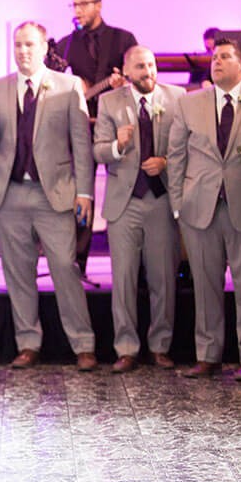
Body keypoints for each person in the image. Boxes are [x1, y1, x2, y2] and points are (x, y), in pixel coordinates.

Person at [0, 21, 97, 371]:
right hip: (11, 194)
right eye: (18, 45)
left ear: (45, 47)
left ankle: (83, 344)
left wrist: (85, 192)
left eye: (30, 45)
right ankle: (28, 342)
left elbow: (81, 143)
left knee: (64, 267)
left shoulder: (68, 86)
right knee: (18, 272)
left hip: (56, 194)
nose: (23, 51)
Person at [167, 38, 241, 379]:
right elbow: (176, 156)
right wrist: (177, 204)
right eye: (214, 57)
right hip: (200, 207)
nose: (217, 61)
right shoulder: (189, 103)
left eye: (225, 56)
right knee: (205, 284)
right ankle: (208, 355)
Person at [93, 46, 185, 372]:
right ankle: (127, 348)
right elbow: (98, 151)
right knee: (124, 280)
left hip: (162, 201)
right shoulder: (110, 102)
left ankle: (160, 346)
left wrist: (167, 163)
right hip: (125, 202)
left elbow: (189, 146)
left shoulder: (178, 98)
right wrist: (118, 145)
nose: (148, 72)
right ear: (127, 71)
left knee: (163, 279)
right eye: (140, 67)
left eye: (151, 65)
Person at [54, 0, 137, 273]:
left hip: (115, 127)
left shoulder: (122, 39)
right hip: (78, 126)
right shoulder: (65, 44)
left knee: (123, 183)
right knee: (82, 189)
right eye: (74, 5)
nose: (77, 10)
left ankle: (128, 261)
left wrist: (122, 82)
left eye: (83, 4)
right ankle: (77, 260)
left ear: (98, 5)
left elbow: (136, 72)